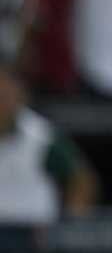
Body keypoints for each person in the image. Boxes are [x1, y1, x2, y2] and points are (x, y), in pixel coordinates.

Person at [0, 64, 97, 249]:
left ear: (20, 97)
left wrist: (70, 224)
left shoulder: (41, 137)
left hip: (32, 231)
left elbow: (81, 180)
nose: (2, 103)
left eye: (6, 96)